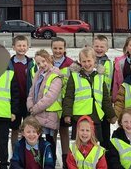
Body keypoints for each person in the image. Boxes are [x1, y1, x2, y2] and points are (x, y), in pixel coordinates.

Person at [62, 47, 116, 150]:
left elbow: (105, 98)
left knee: (94, 143)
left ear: (94, 61)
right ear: (80, 62)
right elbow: (69, 97)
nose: (87, 64)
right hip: (79, 115)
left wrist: (111, 115)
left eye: (89, 61)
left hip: (95, 115)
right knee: (80, 142)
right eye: (84, 61)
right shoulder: (74, 77)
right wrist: (67, 114)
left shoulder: (100, 77)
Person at [26, 49, 62, 161]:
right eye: (38, 63)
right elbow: (31, 92)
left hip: (49, 114)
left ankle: (50, 161)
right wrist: (30, 105)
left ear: (49, 59)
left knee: (49, 140)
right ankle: (39, 161)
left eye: (43, 61)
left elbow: (50, 97)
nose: (41, 65)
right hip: (37, 113)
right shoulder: (38, 74)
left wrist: (34, 109)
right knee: (38, 140)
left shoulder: (56, 75)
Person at [51, 37, 74, 169]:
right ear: (51, 48)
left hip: (64, 103)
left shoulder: (71, 64)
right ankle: (51, 158)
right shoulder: (47, 62)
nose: (58, 51)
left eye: (60, 48)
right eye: (55, 48)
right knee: (52, 132)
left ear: (65, 49)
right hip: (51, 104)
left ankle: (66, 160)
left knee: (64, 132)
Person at [8, 35, 37, 146]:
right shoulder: (9, 64)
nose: (22, 48)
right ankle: (15, 154)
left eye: (24, 45)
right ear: (14, 47)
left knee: (28, 128)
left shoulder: (32, 64)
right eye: (19, 45)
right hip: (13, 102)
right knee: (15, 129)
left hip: (27, 101)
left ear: (28, 47)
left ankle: (28, 152)